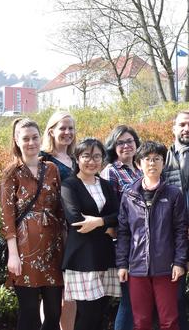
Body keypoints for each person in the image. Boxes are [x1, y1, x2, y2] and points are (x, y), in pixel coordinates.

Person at [1, 118, 66, 330]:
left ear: (41, 138)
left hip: (53, 248)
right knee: (29, 313)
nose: (31, 142)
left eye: (35, 137)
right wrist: (13, 254)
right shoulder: (12, 172)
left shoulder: (52, 168)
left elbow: (60, 207)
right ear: (17, 141)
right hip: (24, 250)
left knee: (54, 312)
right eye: (25, 138)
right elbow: (8, 216)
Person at [117, 141, 189, 330]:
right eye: (147, 159)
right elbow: (124, 232)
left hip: (166, 267)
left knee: (170, 320)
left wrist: (180, 262)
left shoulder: (174, 194)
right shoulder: (129, 195)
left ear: (163, 163)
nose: (152, 163)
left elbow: (181, 231)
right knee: (140, 321)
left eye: (157, 159)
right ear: (139, 164)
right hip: (137, 268)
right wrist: (123, 264)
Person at [61, 138, 121, 330]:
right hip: (82, 259)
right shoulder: (69, 185)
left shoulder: (105, 185)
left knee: (101, 313)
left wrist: (97, 222)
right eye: (86, 156)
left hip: (105, 256)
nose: (92, 161)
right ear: (77, 158)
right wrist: (106, 227)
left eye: (97, 156)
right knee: (88, 315)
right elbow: (76, 220)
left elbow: (119, 215)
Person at [163, 111, 189, 330]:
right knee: (175, 294)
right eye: (182, 125)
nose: (186, 129)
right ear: (174, 128)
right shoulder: (164, 156)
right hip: (173, 236)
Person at [100, 125, 143, 330]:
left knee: (140, 300)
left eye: (130, 141)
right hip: (125, 245)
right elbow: (109, 210)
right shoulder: (111, 171)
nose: (126, 145)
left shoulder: (142, 168)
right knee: (129, 300)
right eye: (121, 142)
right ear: (113, 146)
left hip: (147, 244)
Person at [40, 111, 77, 330]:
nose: (67, 133)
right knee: (52, 291)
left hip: (76, 231)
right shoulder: (44, 158)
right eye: (62, 128)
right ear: (51, 130)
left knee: (72, 290)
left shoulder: (76, 159)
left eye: (71, 128)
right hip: (53, 231)